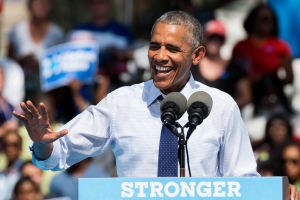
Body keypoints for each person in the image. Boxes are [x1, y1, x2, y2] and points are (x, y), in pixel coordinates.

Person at [13, 11, 299, 199]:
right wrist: (41, 143)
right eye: (154, 46)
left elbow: (244, 182)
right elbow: (56, 154)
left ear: (197, 55)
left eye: (173, 49)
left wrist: (274, 194)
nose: (159, 57)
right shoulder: (121, 102)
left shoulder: (220, 106)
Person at [231, 3, 294, 116]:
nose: (268, 22)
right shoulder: (240, 47)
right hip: (248, 98)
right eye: (264, 19)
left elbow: (289, 78)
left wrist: (272, 82)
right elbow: (234, 74)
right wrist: (250, 81)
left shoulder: (281, 46)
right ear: (253, 20)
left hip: (273, 96)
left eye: (271, 19)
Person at [7, 0, 64, 102]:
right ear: (29, 6)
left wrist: (41, 65)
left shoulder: (57, 33)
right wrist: (22, 61)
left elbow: (61, 65)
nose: (41, 7)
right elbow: (8, 62)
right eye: (37, 3)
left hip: (48, 92)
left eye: (44, 3)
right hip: (20, 89)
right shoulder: (17, 30)